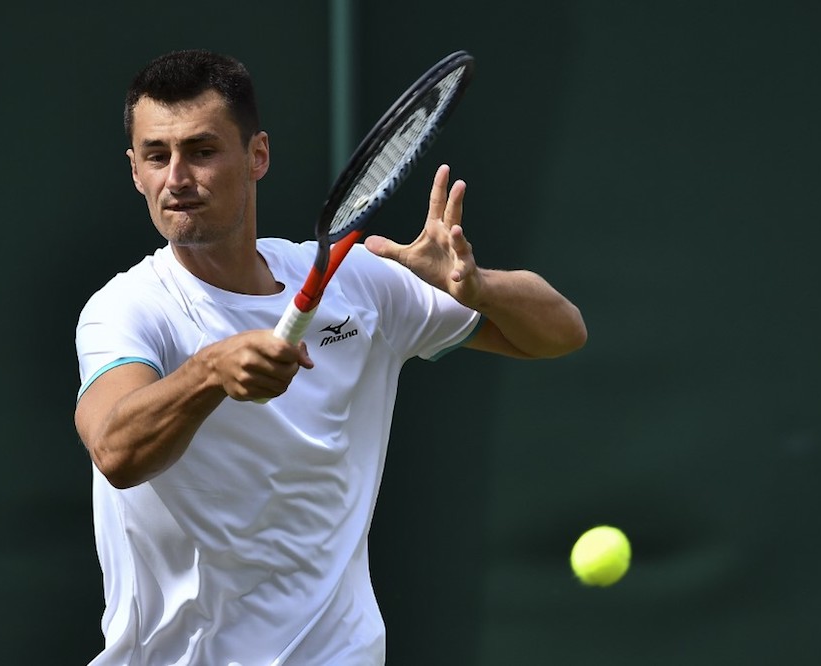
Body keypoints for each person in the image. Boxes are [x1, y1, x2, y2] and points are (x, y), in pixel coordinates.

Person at [74, 49, 586, 665]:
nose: (177, 178)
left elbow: (561, 332)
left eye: (202, 151)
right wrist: (210, 372)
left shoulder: (361, 285)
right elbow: (115, 450)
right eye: (157, 156)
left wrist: (479, 288)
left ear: (256, 155)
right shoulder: (125, 309)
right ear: (135, 169)